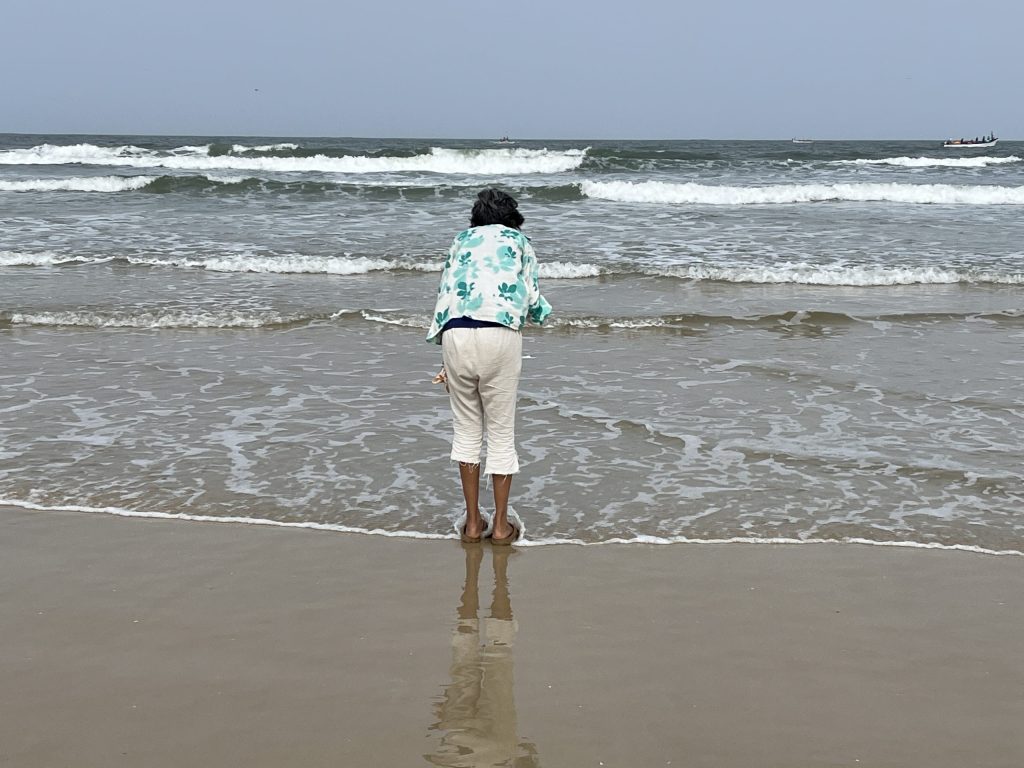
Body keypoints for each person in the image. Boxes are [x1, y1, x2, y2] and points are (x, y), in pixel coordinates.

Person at [427, 189, 551, 545]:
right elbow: (531, 296)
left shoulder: (460, 240)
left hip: (455, 335)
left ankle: (471, 523)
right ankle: (500, 526)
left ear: (476, 218)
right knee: (500, 434)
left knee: (466, 432)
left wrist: (445, 353)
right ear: (513, 218)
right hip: (500, 336)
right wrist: (542, 314)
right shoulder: (519, 242)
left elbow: (446, 292)